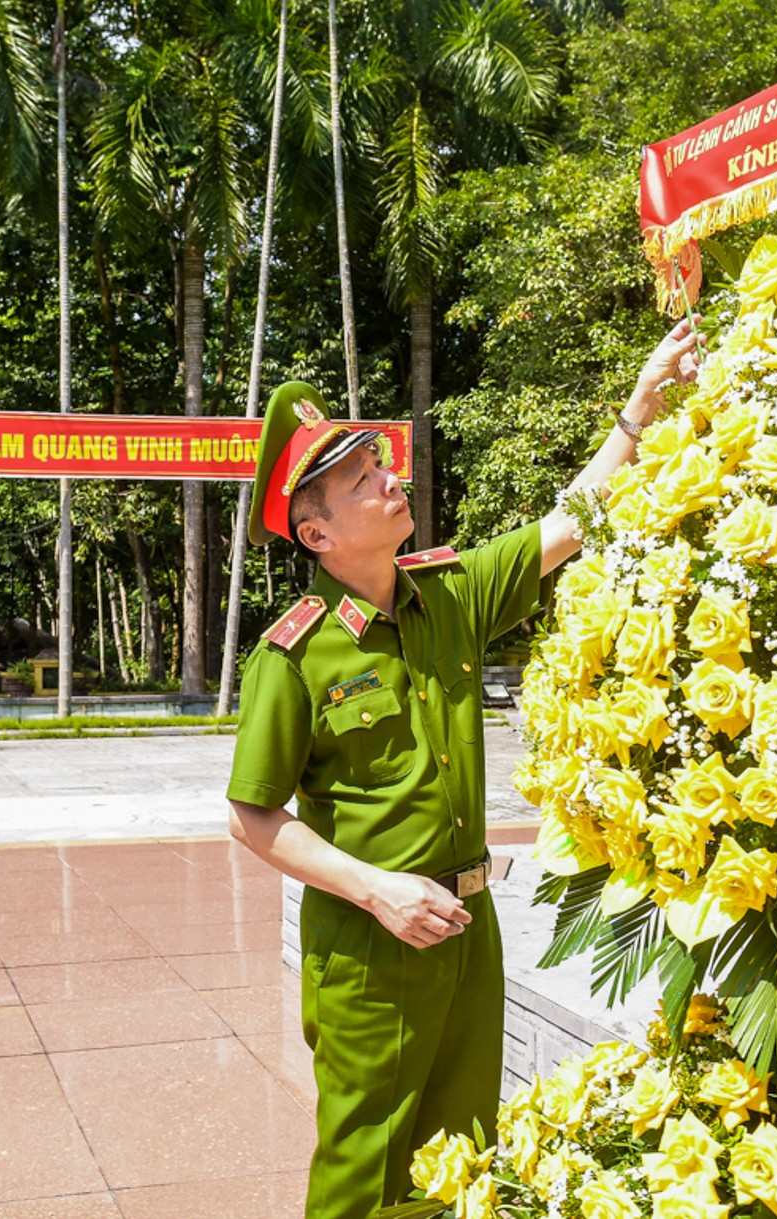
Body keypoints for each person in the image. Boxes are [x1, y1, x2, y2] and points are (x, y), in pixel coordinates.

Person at [224, 319, 704, 1218]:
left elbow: (570, 521)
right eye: (364, 480)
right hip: (371, 945)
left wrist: (639, 410)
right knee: (366, 1169)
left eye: (382, 465)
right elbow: (252, 816)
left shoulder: (447, 595)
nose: (390, 478)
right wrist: (377, 890)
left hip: (466, 925)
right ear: (317, 532)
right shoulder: (293, 656)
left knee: (461, 1156)